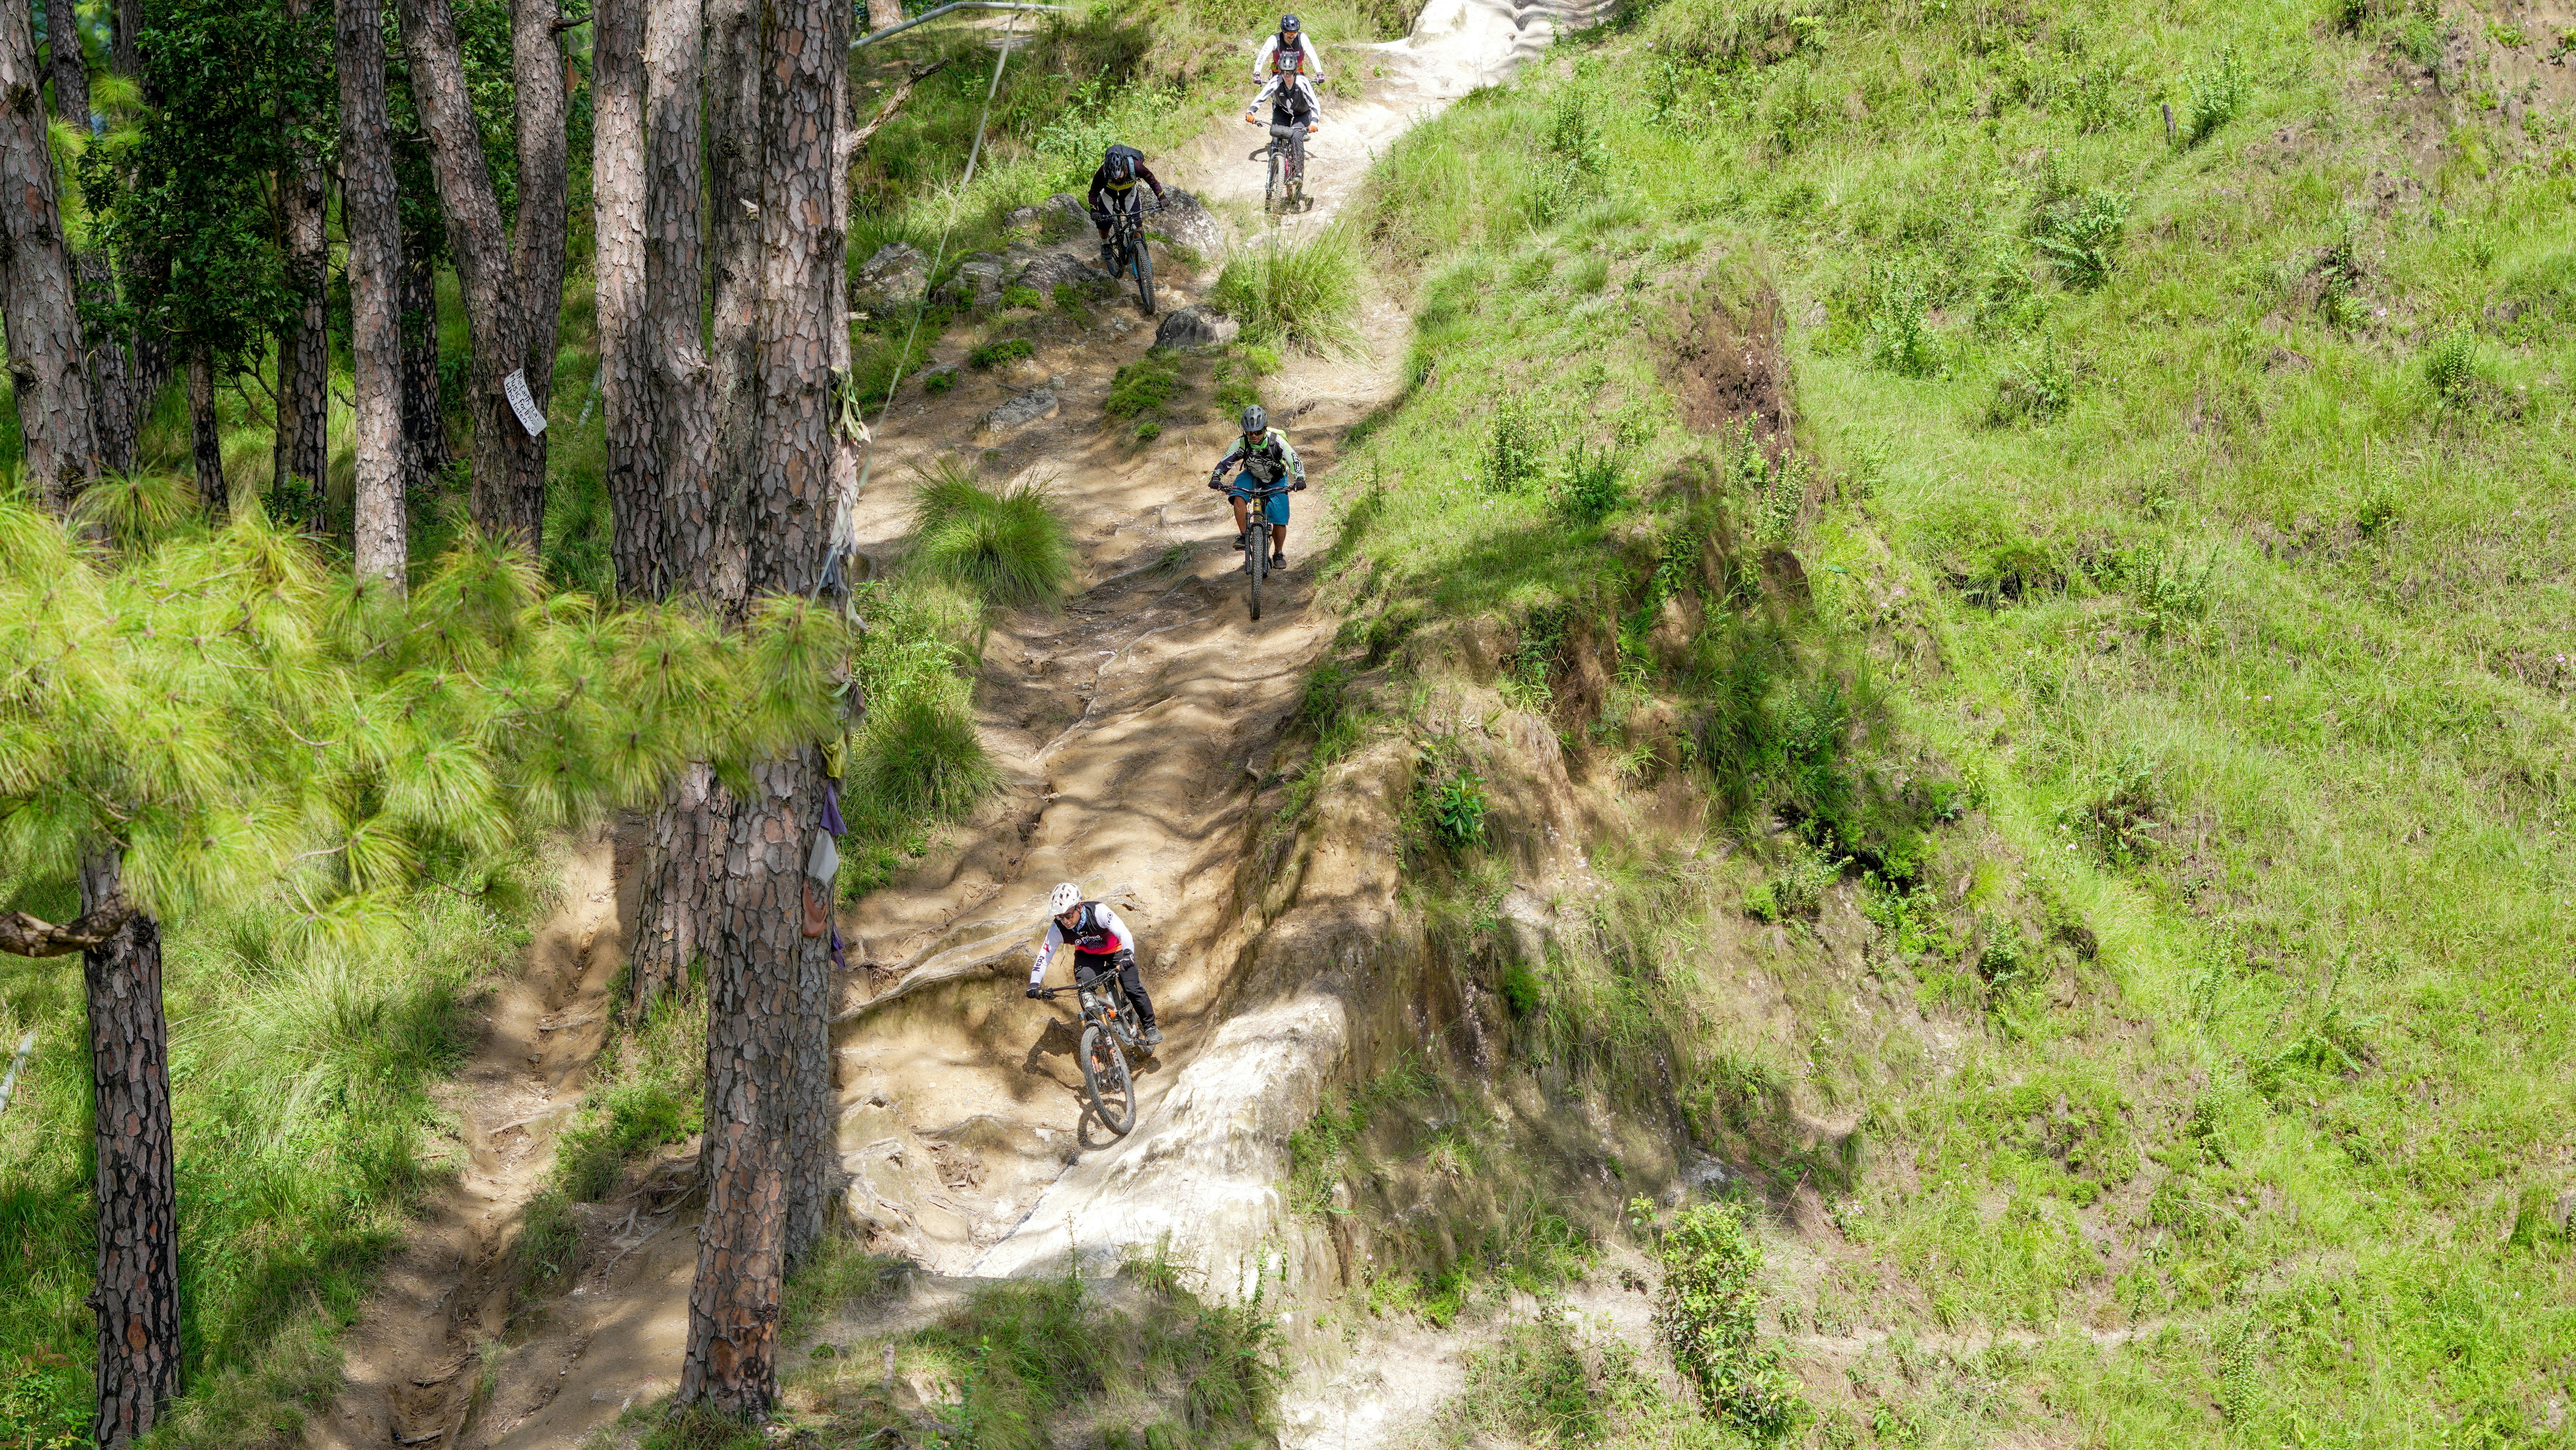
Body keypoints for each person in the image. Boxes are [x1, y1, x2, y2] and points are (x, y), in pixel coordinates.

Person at [1026, 882, 1160, 1048]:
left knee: (1131, 987)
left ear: (1079, 907)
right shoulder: (1057, 929)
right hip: (1088, 956)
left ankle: (1150, 1027)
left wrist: (1128, 955)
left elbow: (1123, 932)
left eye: (1069, 915)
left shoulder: (1098, 911)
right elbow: (1044, 957)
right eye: (1060, 917)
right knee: (1085, 991)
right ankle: (1096, 1037)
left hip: (1117, 949)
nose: (1066, 921)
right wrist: (1034, 983)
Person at [1206, 404, 1306, 570]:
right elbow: (1226, 461)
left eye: (1258, 432)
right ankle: (1245, 535)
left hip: (1276, 478)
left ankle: (1279, 552)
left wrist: (1300, 478)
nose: (1253, 436)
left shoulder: (1276, 442)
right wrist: (1216, 476)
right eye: (1250, 432)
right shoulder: (1242, 443)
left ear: (1264, 429)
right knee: (1238, 496)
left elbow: (1293, 459)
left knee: (1280, 519)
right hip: (1252, 475)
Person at [1085, 143, 1166, 275]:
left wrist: (1162, 197)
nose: (1116, 179)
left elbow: (1152, 180)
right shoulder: (1102, 172)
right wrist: (1094, 210)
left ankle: (1141, 254)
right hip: (1109, 194)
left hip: (1129, 193)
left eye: (1119, 176)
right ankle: (1106, 244)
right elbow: (1093, 193)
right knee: (1104, 222)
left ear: (1124, 168)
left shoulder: (1136, 167)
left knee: (1137, 223)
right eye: (1113, 177)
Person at [1244, 13, 1322, 134]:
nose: (1292, 37)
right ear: (1283, 32)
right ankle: (1279, 121)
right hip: (1278, 72)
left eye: (1294, 33)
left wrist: (1319, 73)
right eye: (1289, 34)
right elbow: (1262, 57)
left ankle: (1302, 125)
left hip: (1297, 72)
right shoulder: (1275, 40)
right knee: (1276, 95)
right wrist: (1257, 74)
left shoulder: (1302, 39)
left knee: (1302, 94)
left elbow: (1313, 56)